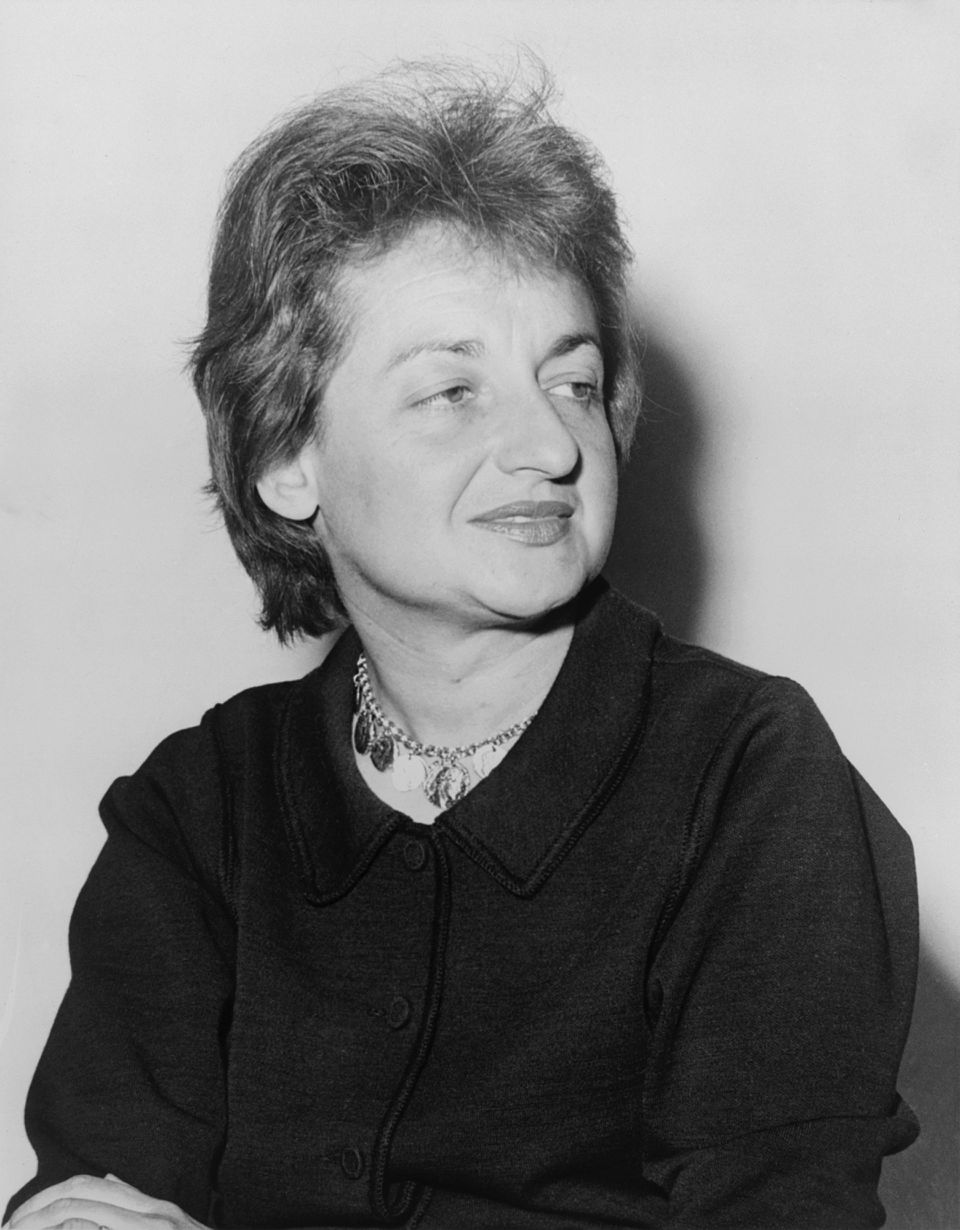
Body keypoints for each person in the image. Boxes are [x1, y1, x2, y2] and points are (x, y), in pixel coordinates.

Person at [5, 62, 918, 1230]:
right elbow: (97, 1196)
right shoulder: (197, 813)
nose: (548, 443)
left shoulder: (751, 777)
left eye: (574, 380)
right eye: (452, 391)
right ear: (289, 459)